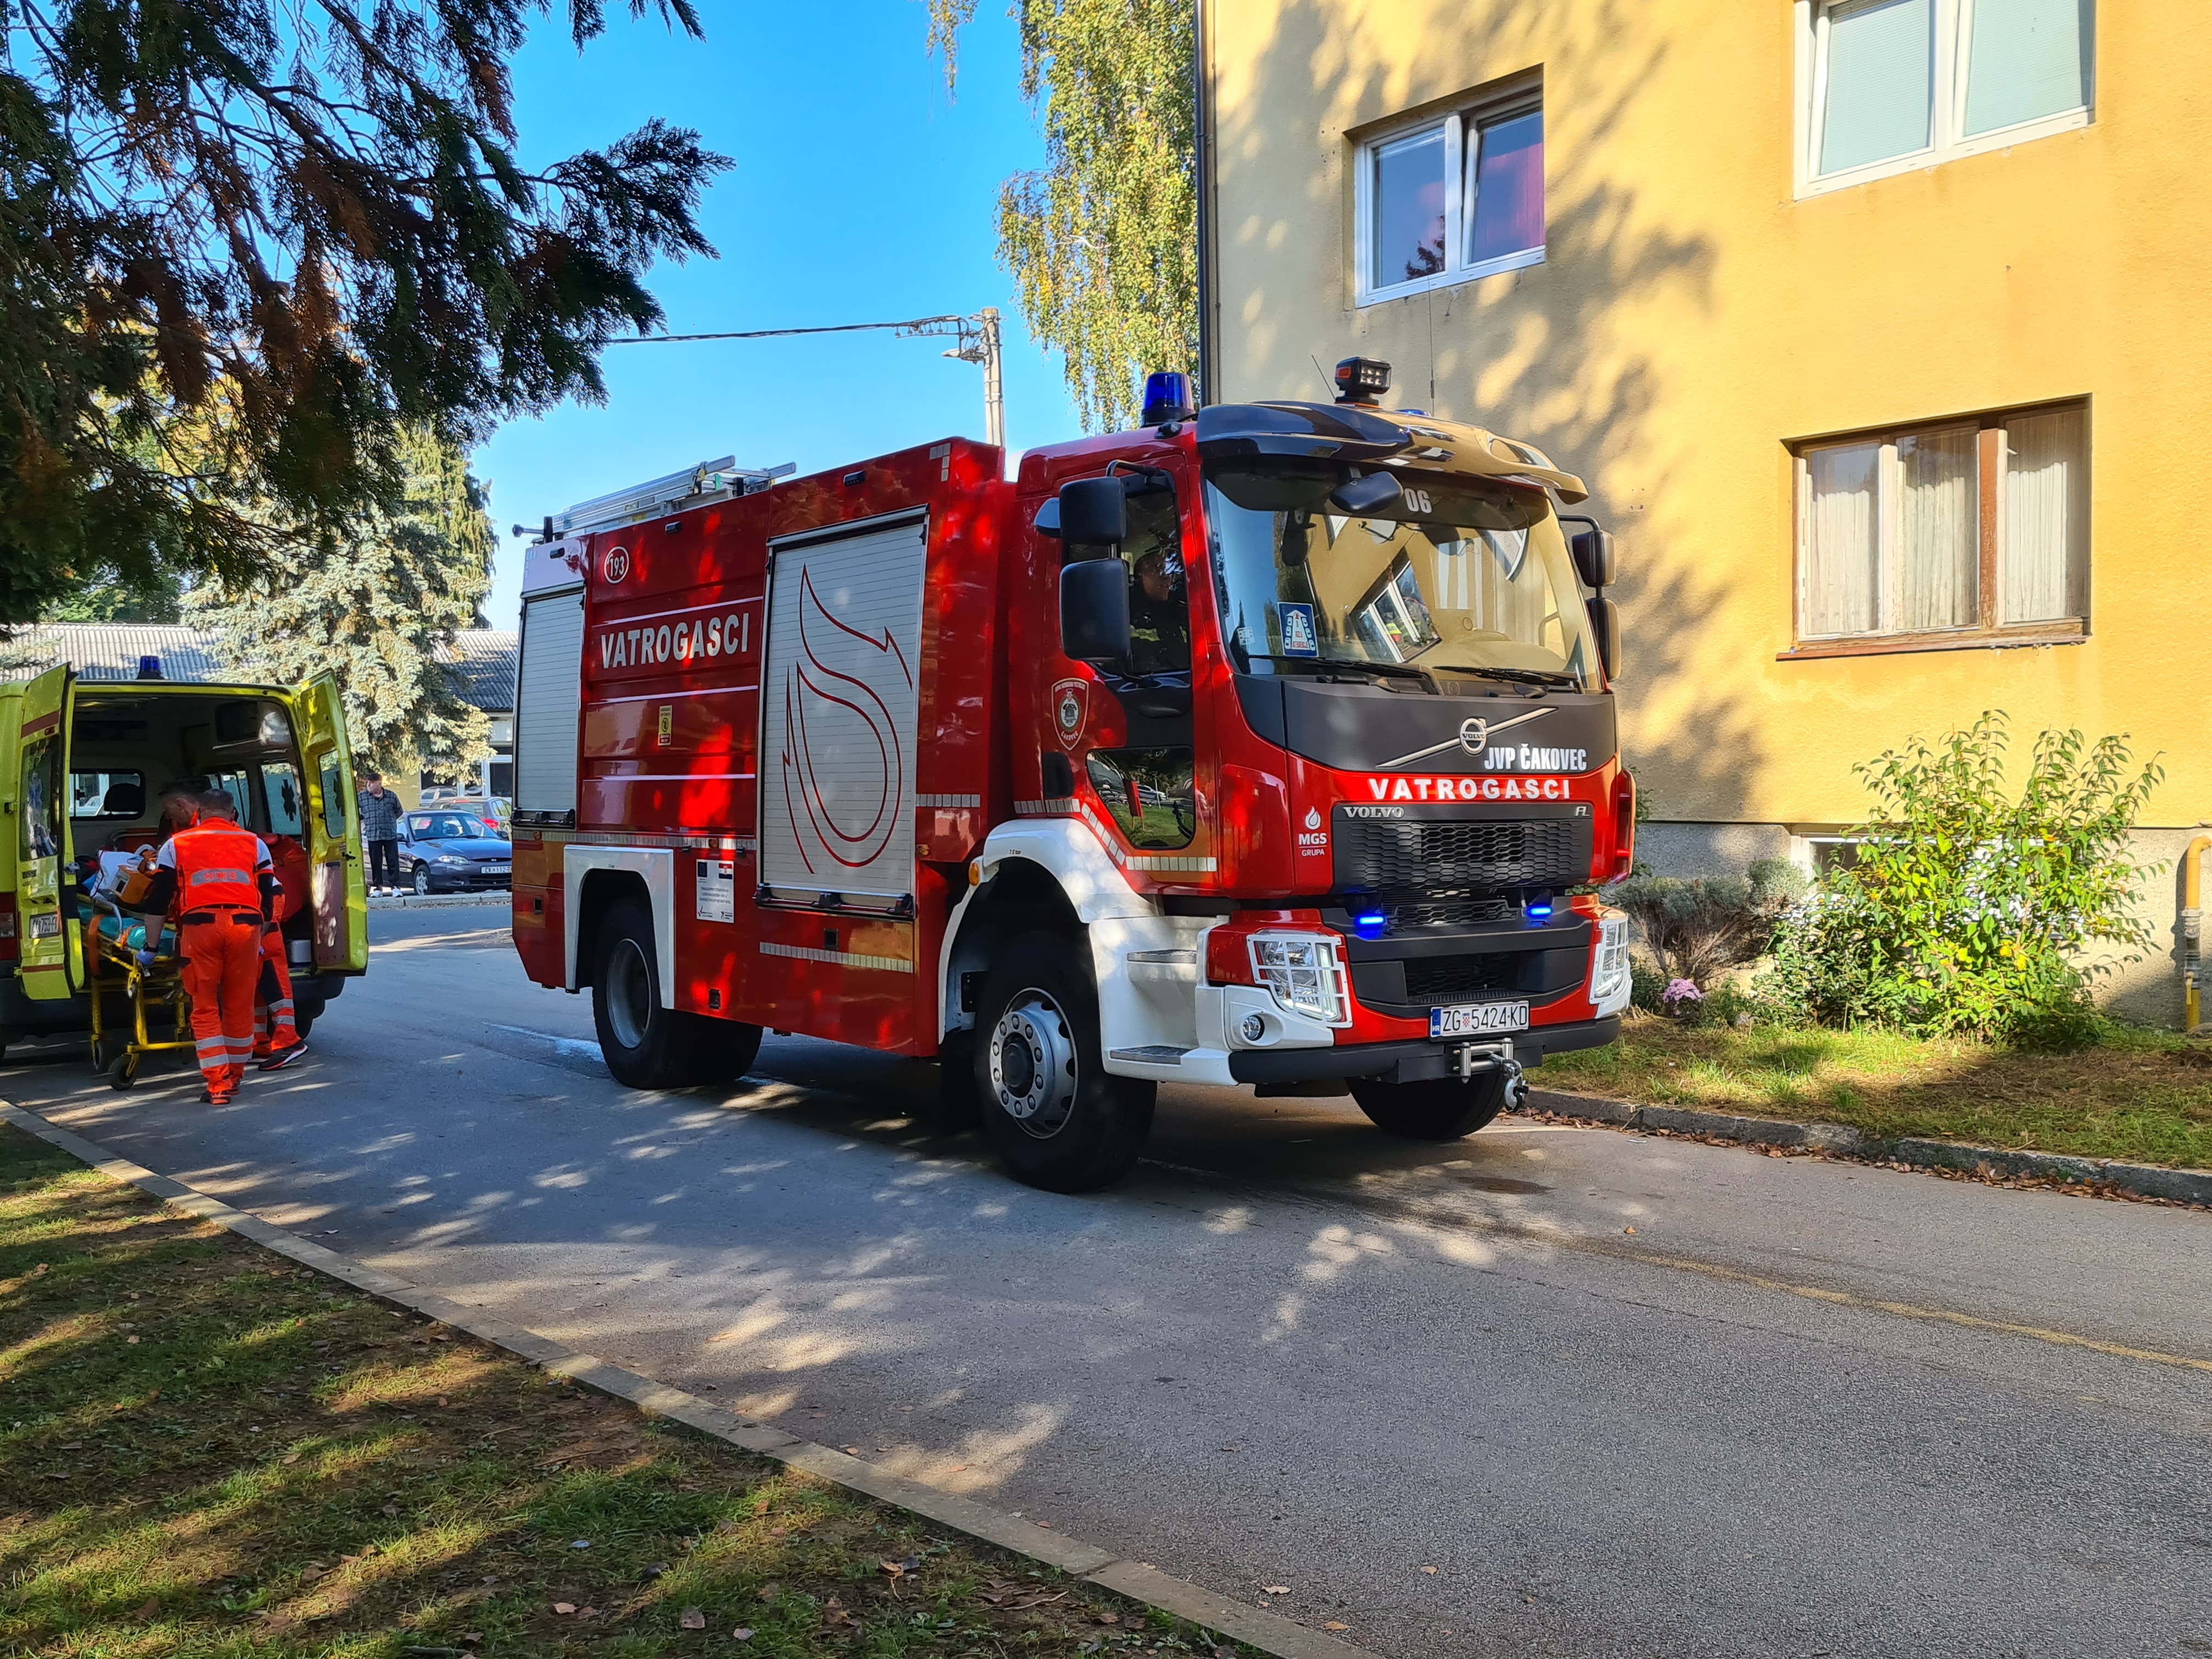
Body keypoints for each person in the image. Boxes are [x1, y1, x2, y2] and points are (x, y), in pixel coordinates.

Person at [133, 790, 276, 1105]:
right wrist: (258, 940)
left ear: (200, 812)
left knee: (205, 1005)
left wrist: (151, 948)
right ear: (232, 813)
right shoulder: (255, 844)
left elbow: (158, 902)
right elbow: (268, 901)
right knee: (239, 1004)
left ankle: (218, 1083)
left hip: (200, 929)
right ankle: (235, 1075)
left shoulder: (177, 844)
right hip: (246, 928)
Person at [253, 830, 313, 1071]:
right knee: (258, 986)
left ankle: (289, 1041)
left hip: (263, 925)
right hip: (257, 922)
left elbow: (273, 893)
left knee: (273, 985)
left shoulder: (243, 847)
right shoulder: (248, 846)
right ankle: (260, 1043)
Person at [1126, 549, 1190, 675]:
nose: (1166, 576)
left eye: (1170, 570)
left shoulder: (1183, 607)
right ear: (1139, 575)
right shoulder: (1125, 613)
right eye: (1157, 568)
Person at [357, 771, 403, 895]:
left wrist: (390, 821)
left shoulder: (391, 796)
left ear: (379, 784)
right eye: (368, 782)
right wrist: (366, 820)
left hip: (390, 834)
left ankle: (396, 887)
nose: (368, 785)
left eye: (371, 783)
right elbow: (356, 812)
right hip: (373, 835)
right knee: (375, 862)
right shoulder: (362, 797)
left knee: (393, 861)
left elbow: (399, 811)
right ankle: (378, 887)